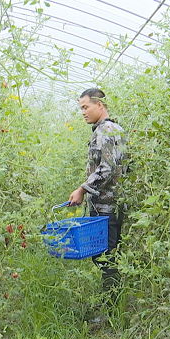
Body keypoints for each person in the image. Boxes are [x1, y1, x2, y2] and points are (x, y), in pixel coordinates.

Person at [67, 88, 127, 315]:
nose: (82, 112)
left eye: (85, 107)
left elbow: (108, 169)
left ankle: (110, 310)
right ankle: (110, 304)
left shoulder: (107, 130)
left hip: (108, 206)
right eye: (80, 108)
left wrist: (83, 189)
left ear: (99, 105)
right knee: (105, 256)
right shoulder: (106, 130)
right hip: (106, 205)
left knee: (107, 258)